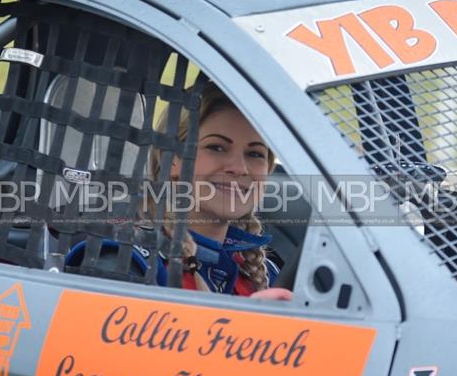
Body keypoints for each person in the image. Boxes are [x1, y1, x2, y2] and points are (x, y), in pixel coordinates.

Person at [66, 81, 291, 301]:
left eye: (255, 154)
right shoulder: (124, 258)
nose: (239, 168)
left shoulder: (262, 274)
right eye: (216, 148)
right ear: (172, 159)